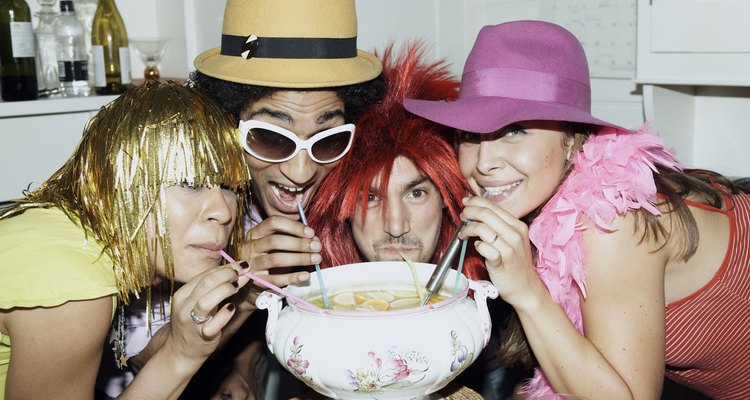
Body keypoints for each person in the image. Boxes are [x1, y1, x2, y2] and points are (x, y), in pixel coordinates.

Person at [404, 20, 750, 400]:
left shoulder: (614, 219)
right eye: (470, 136)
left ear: (573, 138)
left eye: (515, 130)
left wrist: (528, 292)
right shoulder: (545, 206)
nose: (483, 162)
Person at [0, 81, 263, 399]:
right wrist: (181, 353)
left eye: (230, 186)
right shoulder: (72, 284)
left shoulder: (73, 234)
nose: (223, 211)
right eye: (190, 182)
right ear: (121, 183)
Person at [183, 0, 386, 398]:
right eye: (272, 138)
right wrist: (242, 286)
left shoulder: (365, 191)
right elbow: (141, 360)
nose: (301, 173)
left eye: (328, 141)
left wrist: (241, 361)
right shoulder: (189, 205)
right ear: (230, 123)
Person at [307, 42, 522, 400]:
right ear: (341, 208)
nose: (395, 226)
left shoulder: (499, 290)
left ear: (447, 201)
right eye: (369, 197)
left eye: (416, 193)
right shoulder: (314, 299)